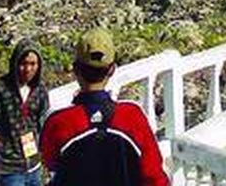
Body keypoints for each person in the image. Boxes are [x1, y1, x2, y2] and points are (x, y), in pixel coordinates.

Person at [40, 28, 168, 186]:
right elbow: (154, 176)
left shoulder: (58, 122)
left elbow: (51, 163)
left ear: (75, 69)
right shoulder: (132, 117)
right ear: (112, 69)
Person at [0, 40, 50, 186]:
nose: (28, 69)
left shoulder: (40, 90)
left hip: (34, 166)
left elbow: (43, 120)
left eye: (33, 64)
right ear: (14, 63)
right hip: (9, 169)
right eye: (23, 63)